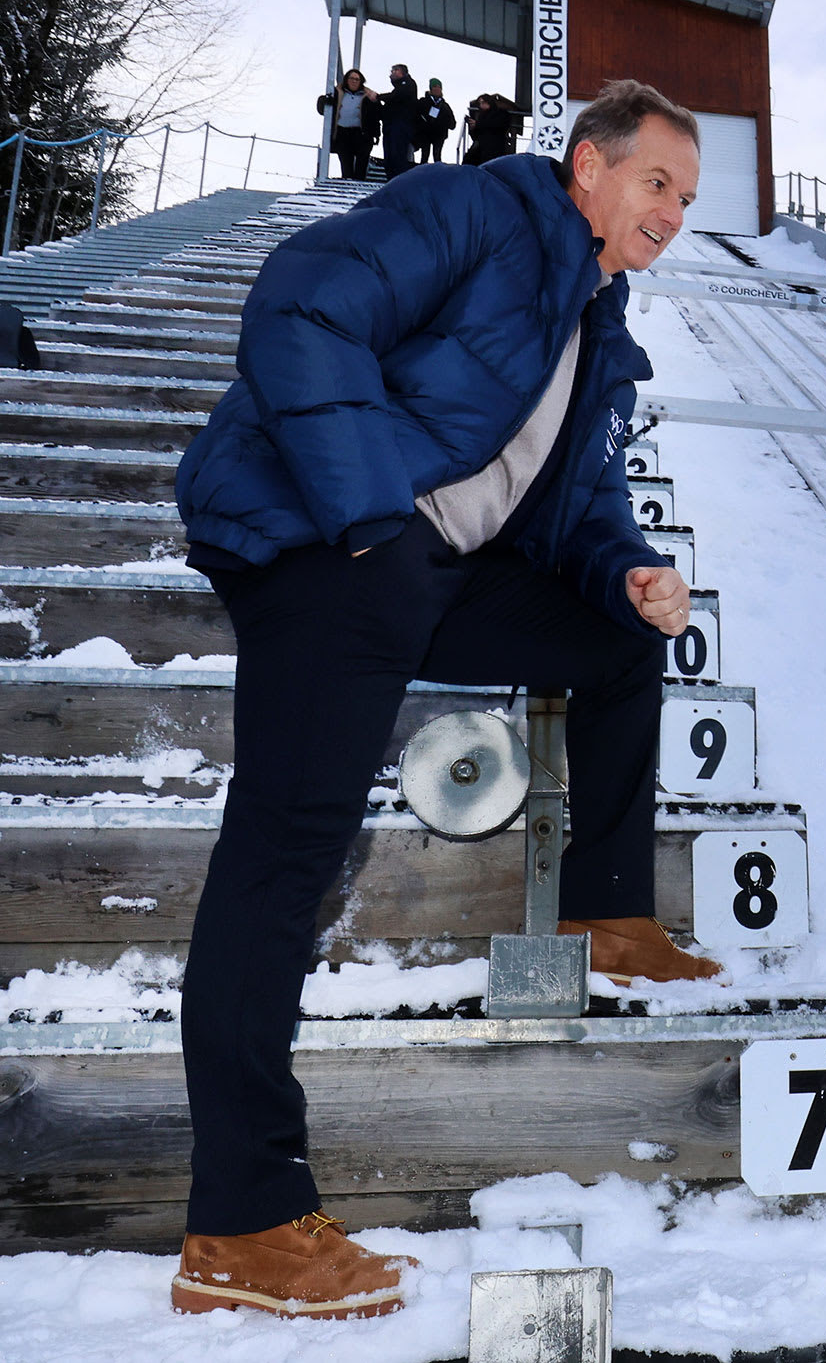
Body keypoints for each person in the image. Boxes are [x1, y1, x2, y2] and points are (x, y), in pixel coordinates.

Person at [168, 79, 709, 1320]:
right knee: (286, 848)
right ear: (588, 167)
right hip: (327, 533)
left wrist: (628, 566)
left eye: (685, 196)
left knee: (621, 641)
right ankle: (242, 1220)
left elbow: (575, 504)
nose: (672, 212)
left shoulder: (598, 327)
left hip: (427, 569)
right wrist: (367, 522)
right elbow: (301, 305)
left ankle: (601, 912)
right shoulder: (474, 210)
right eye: (655, 182)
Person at [315, 69, 379, 181]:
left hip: (362, 134)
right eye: (351, 78)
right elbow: (322, 109)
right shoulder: (337, 93)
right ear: (346, 80)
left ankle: (359, 184)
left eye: (357, 79)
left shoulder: (368, 96)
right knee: (345, 162)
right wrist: (324, 101)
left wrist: (376, 134)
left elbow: (376, 116)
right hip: (343, 133)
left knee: (362, 163)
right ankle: (347, 182)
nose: (354, 81)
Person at [380, 64, 419, 178]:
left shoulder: (408, 85)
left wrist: (378, 97)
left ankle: (397, 181)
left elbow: (398, 95)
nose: (392, 73)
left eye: (395, 70)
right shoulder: (398, 90)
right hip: (391, 127)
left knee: (398, 156)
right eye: (392, 71)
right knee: (390, 156)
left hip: (401, 127)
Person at [464, 93, 521, 165]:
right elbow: (476, 135)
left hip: (495, 147)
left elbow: (498, 124)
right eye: (480, 103)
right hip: (482, 147)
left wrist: (478, 124)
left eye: (483, 102)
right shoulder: (481, 116)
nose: (482, 105)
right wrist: (472, 127)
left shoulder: (501, 113)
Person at [418, 78, 456, 164]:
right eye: (435, 86)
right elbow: (416, 116)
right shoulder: (423, 102)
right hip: (425, 134)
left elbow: (452, 124)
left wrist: (443, 123)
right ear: (430, 88)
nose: (437, 89)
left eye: (439, 87)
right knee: (424, 156)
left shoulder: (445, 106)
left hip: (439, 135)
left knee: (437, 156)